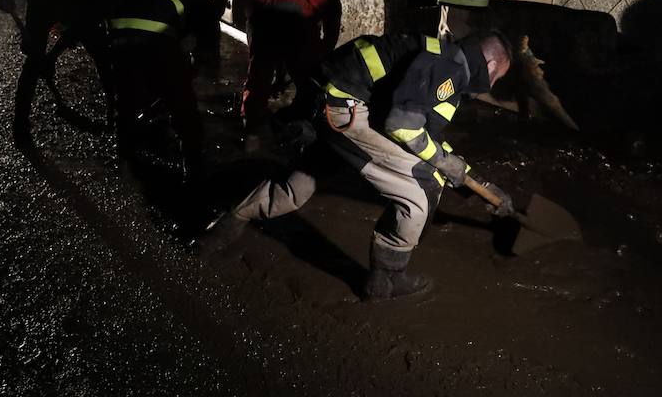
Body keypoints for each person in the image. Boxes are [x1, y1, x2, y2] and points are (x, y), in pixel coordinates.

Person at [198, 32, 515, 301]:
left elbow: (427, 135)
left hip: (328, 102)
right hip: (345, 112)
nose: (492, 84)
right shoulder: (450, 67)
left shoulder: (439, 54)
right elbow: (402, 125)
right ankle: (387, 278)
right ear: (489, 65)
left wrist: (480, 183)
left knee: (297, 187)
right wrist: (443, 164)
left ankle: (227, 225)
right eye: (497, 78)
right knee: (422, 186)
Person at [11, 0, 147, 145]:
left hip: (61, 2)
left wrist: (52, 56)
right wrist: (49, 56)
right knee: (35, 62)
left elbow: (79, 30)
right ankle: (20, 125)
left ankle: (113, 114)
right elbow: (79, 29)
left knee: (100, 56)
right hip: (46, 1)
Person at [108, 0, 216, 178]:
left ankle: (125, 148)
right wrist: (200, 59)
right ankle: (193, 164)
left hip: (118, 38)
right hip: (154, 42)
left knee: (128, 95)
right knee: (182, 104)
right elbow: (207, 32)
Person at [240, 0, 342, 146]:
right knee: (309, 79)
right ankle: (304, 120)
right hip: (295, 16)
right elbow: (329, 38)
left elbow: (259, 45)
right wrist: (319, 61)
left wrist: (271, 71)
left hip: (263, 15)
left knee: (258, 74)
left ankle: (251, 125)